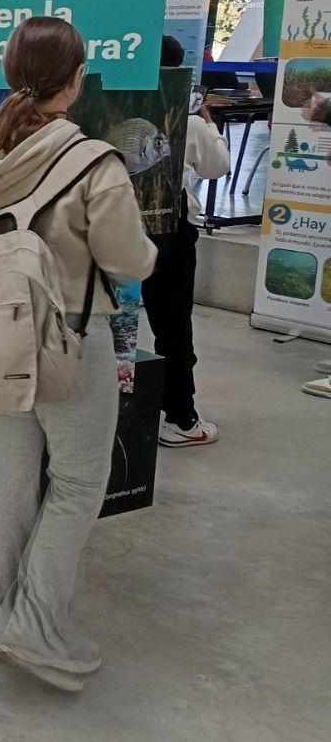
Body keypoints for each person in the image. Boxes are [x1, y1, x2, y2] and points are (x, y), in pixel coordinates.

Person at [0, 16, 156, 690]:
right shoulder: (93, 162)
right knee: (76, 485)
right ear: (72, 82)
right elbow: (128, 259)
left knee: (12, 472)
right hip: (69, 335)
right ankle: (33, 626)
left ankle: (1, 615)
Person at [144, 36, 229, 447]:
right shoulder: (190, 120)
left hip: (114, 222)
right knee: (173, 324)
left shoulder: (113, 106)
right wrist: (208, 121)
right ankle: (180, 417)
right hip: (169, 231)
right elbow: (216, 167)